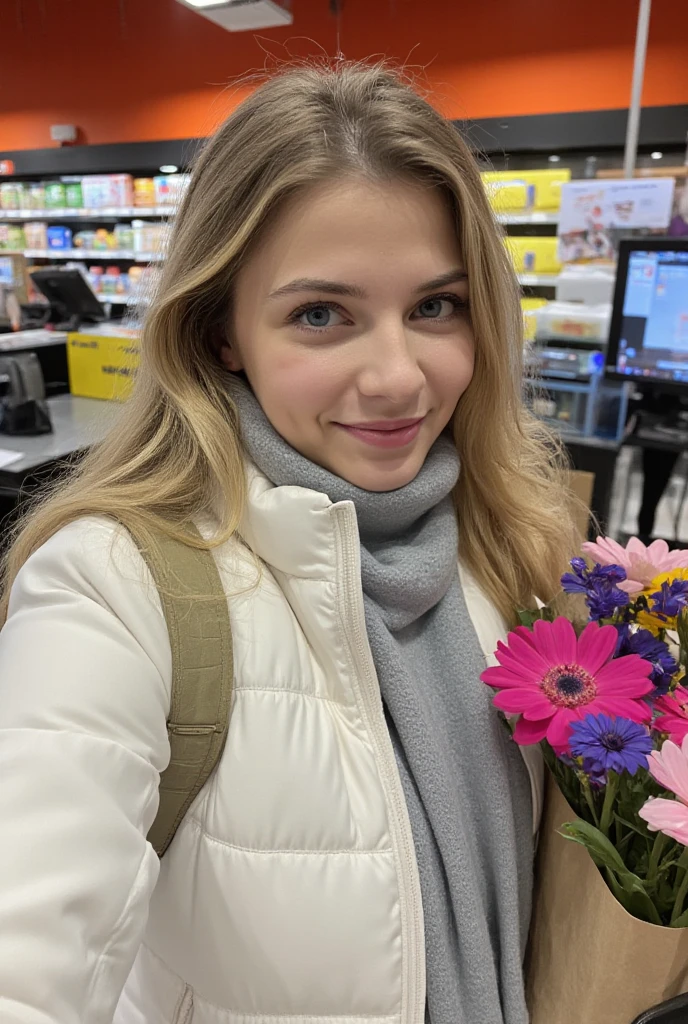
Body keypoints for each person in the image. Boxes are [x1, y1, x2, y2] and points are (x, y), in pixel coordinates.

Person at [0, 62, 578, 1024]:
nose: (397, 377)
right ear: (222, 328)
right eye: (321, 315)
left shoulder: (515, 540)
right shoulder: (120, 583)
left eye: (435, 306)